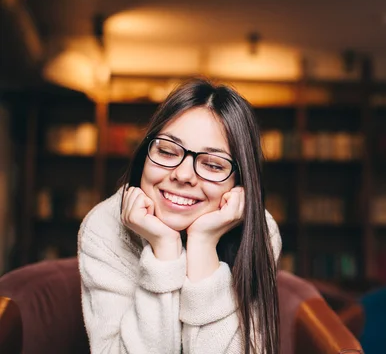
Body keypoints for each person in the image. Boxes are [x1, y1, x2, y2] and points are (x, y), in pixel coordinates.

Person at [78, 79, 281, 353]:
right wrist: (164, 252)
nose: (183, 175)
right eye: (166, 150)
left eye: (212, 164)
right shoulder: (103, 226)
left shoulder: (260, 231)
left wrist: (203, 244)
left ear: (239, 182)